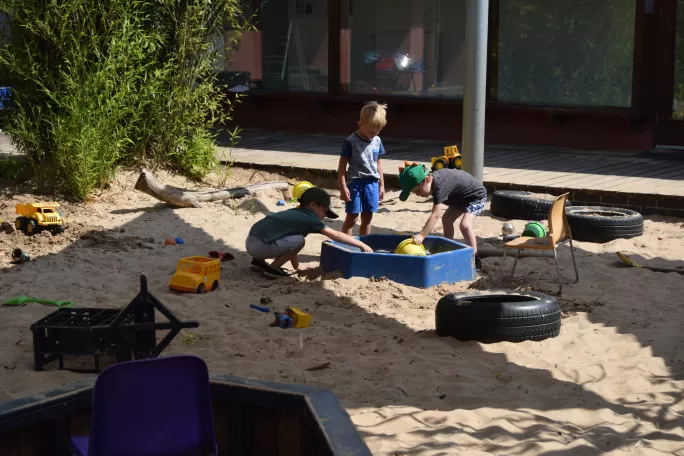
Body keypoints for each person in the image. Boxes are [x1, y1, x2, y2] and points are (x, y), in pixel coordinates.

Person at [246, 186, 373, 278]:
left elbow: (291, 249)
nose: (324, 216)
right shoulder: (310, 218)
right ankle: (272, 269)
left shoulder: (295, 213)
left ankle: (258, 262)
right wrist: (361, 244)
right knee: (299, 241)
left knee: (295, 240)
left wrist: (297, 267)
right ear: (313, 205)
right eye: (325, 211)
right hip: (260, 245)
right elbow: (337, 235)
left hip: (251, 240)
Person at [398, 164, 487, 270]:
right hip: (460, 198)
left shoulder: (439, 186)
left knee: (465, 225)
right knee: (447, 220)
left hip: (475, 196)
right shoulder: (433, 183)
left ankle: (474, 258)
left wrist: (422, 235)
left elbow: (435, 215)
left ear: (427, 179)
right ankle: (447, 248)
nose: (417, 194)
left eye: (417, 191)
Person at [337, 101, 387, 236]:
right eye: (371, 131)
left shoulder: (377, 140)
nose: (374, 134)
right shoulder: (350, 141)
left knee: (367, 218)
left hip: (372, 184)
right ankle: (346, 245)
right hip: (355, 183)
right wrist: (343, 186)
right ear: (360, 124)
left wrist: (381, 185)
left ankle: (364, 246)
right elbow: (342, 166)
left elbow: (379, 164)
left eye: (378, 131)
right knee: (352, 218)